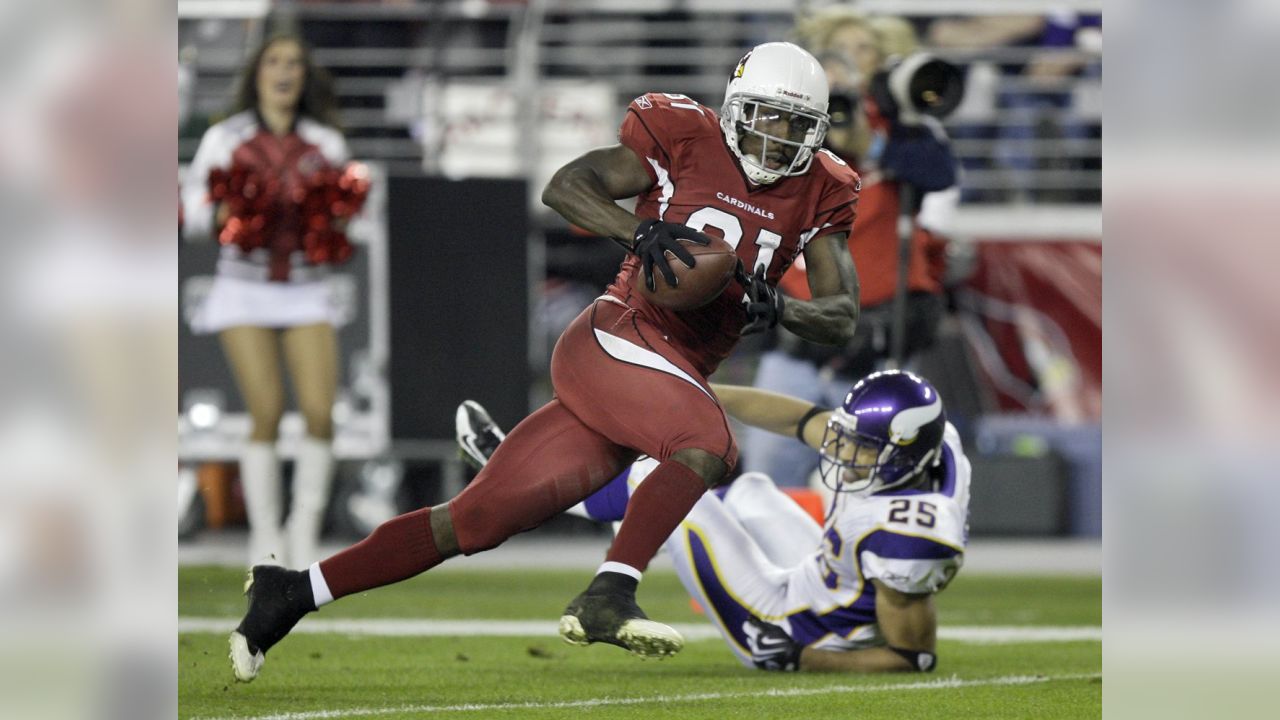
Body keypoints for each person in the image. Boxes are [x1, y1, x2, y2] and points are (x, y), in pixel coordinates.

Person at [228, 41, 860, 682]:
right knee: (709, 444)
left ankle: (292, 591)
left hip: (673, 371)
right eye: (767, 117)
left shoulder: (823, 189)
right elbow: (567, 187)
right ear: (734, 107)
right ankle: (609, 593)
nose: (778, 139)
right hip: (619, 334)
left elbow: (841, 314)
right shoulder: (685, 136)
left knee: (472, 521)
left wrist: (781, 307)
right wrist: (636, 231)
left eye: (796, 125)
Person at [459, 369, 969, 673]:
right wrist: (698, 392)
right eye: (846, 436)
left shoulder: (912, 535)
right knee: (750, 491)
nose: (839, 450)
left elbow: (913, 657)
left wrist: (801, 657)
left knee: (667, 484)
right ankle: (639, 525)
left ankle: (520, 484)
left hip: (790, 625)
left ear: (904, 455)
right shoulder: (929, 449)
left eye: (859, 447)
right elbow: (799, 420)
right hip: (827, 577)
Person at [742, 9, 959, 488]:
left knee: (873, 482)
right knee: (767, 484)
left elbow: (940, 175)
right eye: (840, 50)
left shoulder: (902, 125)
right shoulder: (785, 124)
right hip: (797, 334)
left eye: (865, 50)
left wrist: (872, 145)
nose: (850, 62)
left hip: (876, 337)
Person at [181, 35, 354, 569]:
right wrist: (234, 210)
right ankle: (265, 541)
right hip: (244, 287)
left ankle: (302, 533)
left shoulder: (325, 142)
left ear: (305, 76)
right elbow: (192, 216)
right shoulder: (224, 139)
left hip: (305, 287)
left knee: (322, 414)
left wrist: (334, 215)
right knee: (268, 412)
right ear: (257, 72)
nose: (285, 72)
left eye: (295, 64)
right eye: (275, 62)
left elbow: (348, 220)